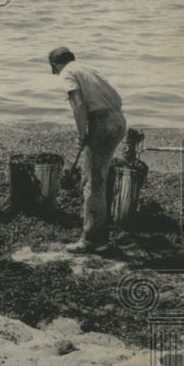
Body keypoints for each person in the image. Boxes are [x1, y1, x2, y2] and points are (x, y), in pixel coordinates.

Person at [49, 46, 126, 253]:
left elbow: (79, 105)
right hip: (118, 120)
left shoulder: (67, 72)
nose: (55, 74)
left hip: (101, 122)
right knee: (99, 176)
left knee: (91, 180)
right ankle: (100, 232)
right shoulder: (87, 68)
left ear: (55, 64)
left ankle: (93, 240)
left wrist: (82, 134)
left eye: (53, 69)